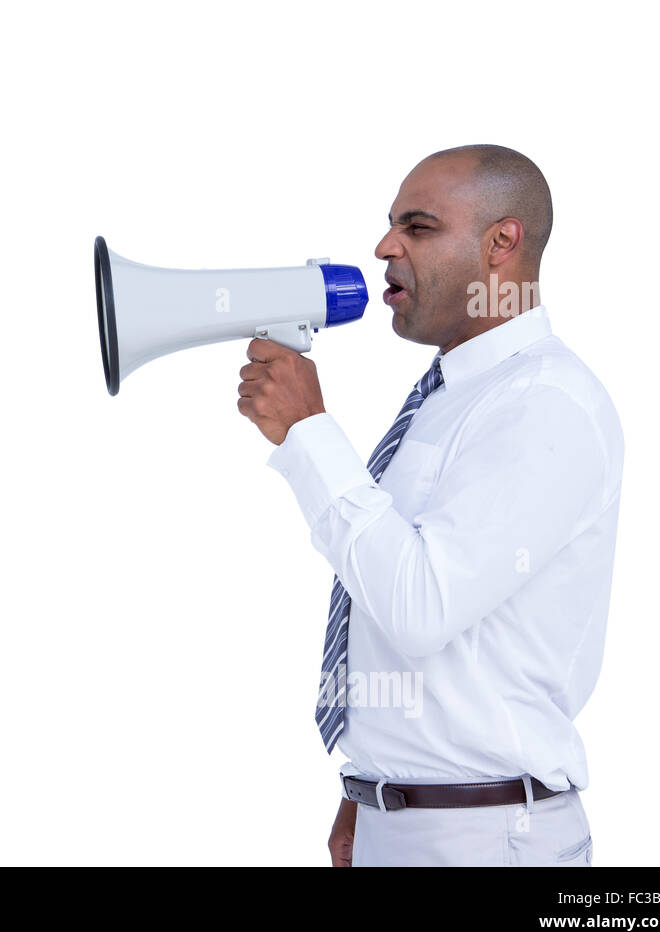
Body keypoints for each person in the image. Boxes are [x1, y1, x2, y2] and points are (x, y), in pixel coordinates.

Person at [237, 144, 622, 866]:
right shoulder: (449, 400)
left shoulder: (545, 404)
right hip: (416, 823)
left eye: (417, 228)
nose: (384, 247)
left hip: (483, 840)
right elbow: (401, 591)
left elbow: (421, 606)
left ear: (501, 244)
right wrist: (372, 788)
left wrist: (311, 434)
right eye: (391, 226)